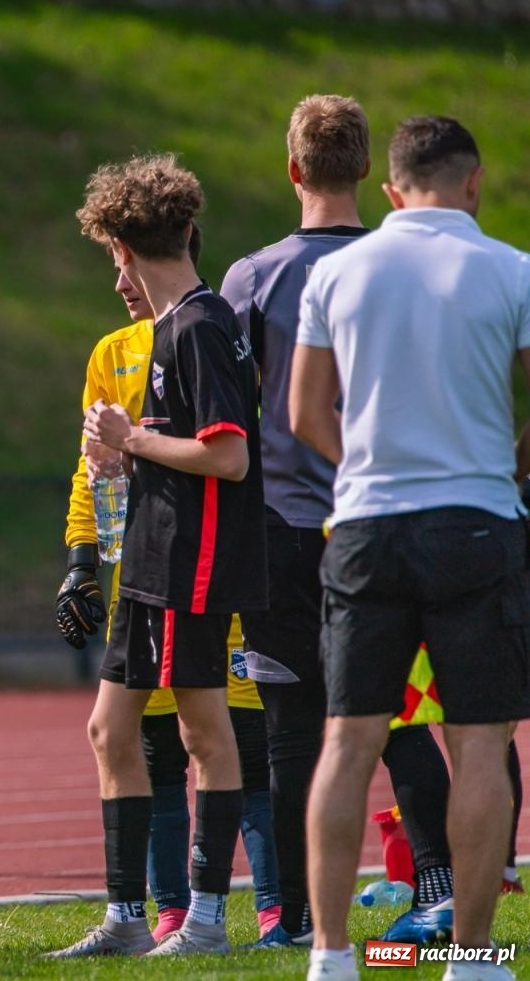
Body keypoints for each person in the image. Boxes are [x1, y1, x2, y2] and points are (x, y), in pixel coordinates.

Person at [220, 93, 462, 948]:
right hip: (386, 517)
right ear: (364, 168)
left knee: (291, 730)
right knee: (400, 716)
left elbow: (231, 413)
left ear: (293, 169)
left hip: (283, 526)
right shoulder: (404, 267)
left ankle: (289, 914)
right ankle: (436, 887)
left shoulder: (253, 277)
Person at [291, 115, 530, 981]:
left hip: (367, 525)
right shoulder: (512, 269)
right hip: (475, 519)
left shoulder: (339, 270)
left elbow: (303, 412)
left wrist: (365, 466)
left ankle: (330, 956)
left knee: (348, 740)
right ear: (474, 183)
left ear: (390, 191)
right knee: (479, 743)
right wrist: (508, 463)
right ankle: (472, 959)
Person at [46, 153, 265, 959]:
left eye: (113, 258)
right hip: (147, 559)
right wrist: (124, 458)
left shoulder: (201, 326)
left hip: (188, 562)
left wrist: (132, 438)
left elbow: (229, 457)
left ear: (127, 248)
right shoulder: (177, 326)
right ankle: (126, 917)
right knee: (110, 730)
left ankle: (204, 920)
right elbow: (186, 451)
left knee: (205, 733)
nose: (115, 279)